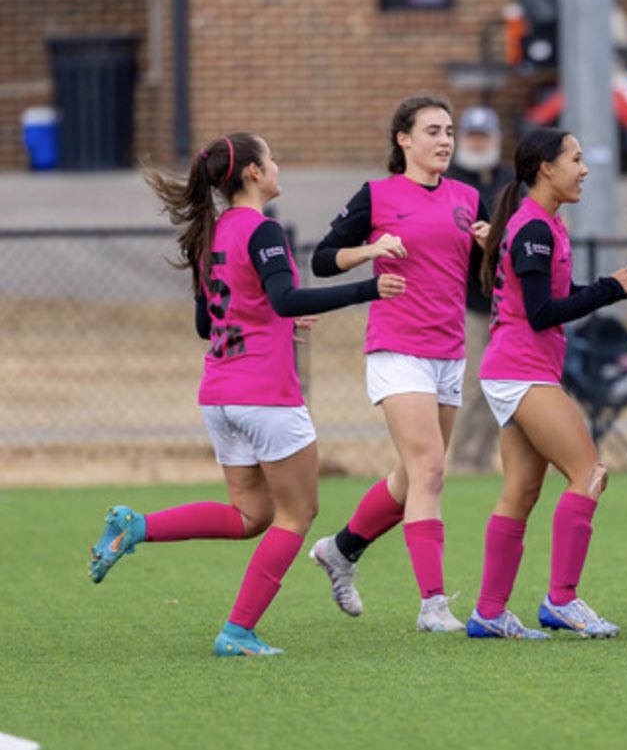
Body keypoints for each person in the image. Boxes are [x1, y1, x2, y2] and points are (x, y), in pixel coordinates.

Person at [87, 133, 405, 656]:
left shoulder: (209, 234)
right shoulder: (263, 230)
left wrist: (273, 320)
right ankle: (237, 632)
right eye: (272, 158)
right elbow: (282, 297)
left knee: (250, 516)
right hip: (265, 396)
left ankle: (137, 526)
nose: (278, 166)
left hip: (219, 394)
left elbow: (206, 322)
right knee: (297, 516)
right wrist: (370, 287)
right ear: (254, 174)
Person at [305, 95, 490, 632]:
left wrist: (491, 246)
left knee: (412, 478)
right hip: (397, 348)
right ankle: (433, 605)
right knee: (430, 469)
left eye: (450, 131)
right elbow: (321, 259)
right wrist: (370, 250)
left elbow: (486, 277)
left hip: (449, 352)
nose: (445, 140)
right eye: (432, 131)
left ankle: (340, 551)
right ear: (403, 140)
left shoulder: (468, 198)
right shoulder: (378, 196)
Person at [466, 127, 627, 639]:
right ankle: (562, 600)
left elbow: (557, 297)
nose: (584, 168)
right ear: (545, 168)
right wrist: (610, 288)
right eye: (575, 158)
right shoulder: (534, 228)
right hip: (519, 368)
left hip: (518, 369)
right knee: (589, 473)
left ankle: (488, 612)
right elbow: (544, 312)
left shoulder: (545, 223)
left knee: (521, 491)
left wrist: (611, 287)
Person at [447, 106, 515, 473]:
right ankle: (461, 461)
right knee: (472, 382)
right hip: (468, 301)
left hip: (507, 304)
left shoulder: (509, 181)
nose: (477, 143)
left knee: (500, 384)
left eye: (483, 136)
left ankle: (483, 458)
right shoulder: (450, 182)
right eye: (471, 136)